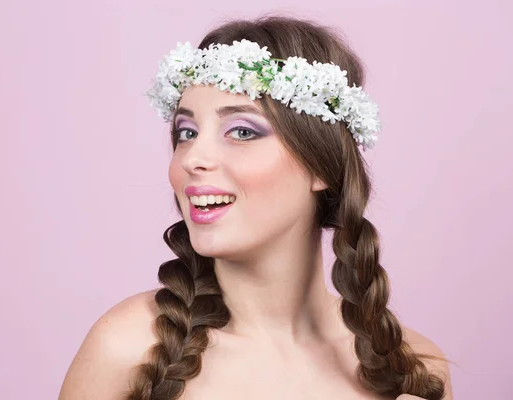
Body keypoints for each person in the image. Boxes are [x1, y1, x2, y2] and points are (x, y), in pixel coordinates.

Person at [59, 15, 452, 400]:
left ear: (320, 164)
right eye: (187, 132)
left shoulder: (416, 370)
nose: (193, 157)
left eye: (242, 131)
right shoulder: (127, 349)